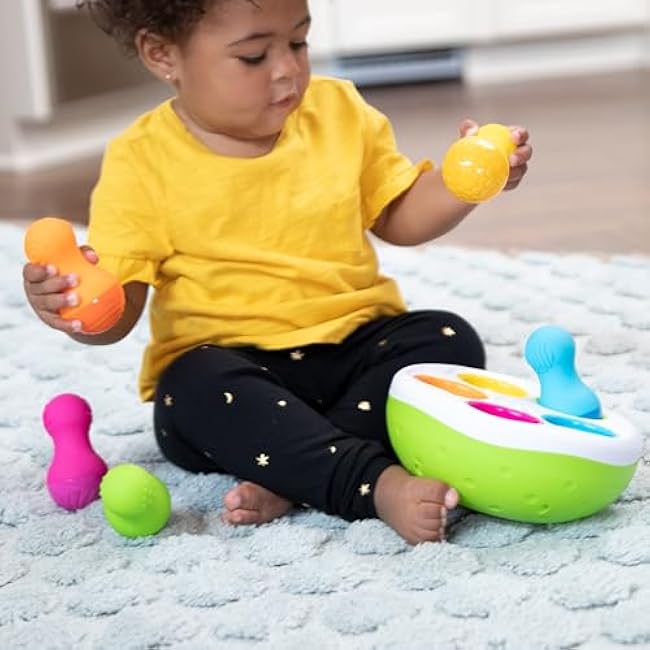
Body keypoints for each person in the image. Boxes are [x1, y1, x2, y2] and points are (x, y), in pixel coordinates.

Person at [22, 0, 532, 545]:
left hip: (351, 348)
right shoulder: (141, 160)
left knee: (447, 337)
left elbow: (399, 216)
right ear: (163, 54)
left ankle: (292, 471)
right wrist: (72, 304)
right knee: (188, 389)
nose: (288, 69)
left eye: (298, 43)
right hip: (235, 372)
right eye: (253, 56)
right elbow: (117, 314)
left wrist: (461, 183)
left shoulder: (338, 110)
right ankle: (370, 484)